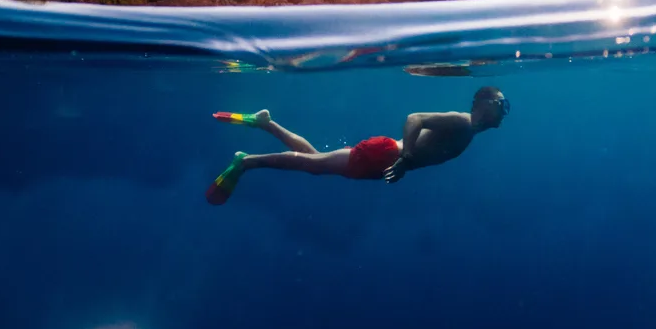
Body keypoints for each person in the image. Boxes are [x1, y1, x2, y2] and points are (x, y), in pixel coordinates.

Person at [205, 86, 510, 204]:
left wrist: (405, 160)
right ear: (484, 104)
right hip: (386, 154)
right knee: (312, 164)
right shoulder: (462, 122)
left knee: (315, 161)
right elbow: (415, 118)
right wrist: (405, 158)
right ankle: (247, 161)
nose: (504, 112)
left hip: (384, 160)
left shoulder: (469, 131)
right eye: (501, 104)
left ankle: (265, 123)